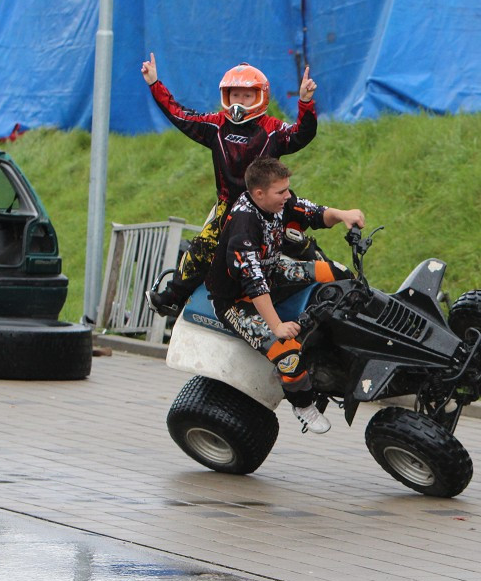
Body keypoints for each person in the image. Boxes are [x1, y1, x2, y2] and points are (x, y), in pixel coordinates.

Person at [140, 53, 320, 316]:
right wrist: (155, 83)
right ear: (226, 97)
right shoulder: (214, 125)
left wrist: (305, 102)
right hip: (228, 209)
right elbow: (179, 115)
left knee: (299, 242)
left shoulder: (273, 129)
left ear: (260, 97)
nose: (240, 102)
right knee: (200, 249)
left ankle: (331, 276)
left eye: (247, 96)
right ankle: (172, 298)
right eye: (235, 95)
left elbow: (302, 134)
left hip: (269, 206)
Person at [207, 157, 364, 434]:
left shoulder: (277, 201)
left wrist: (342, 215)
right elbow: (253, 282)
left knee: (337, 273)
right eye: (281, 192)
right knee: (287, 353)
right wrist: (277, 326)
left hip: (273, 268)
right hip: (237, 298)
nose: (287, 196)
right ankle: (302, 405)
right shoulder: (244, 224)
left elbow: (313, 213)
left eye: (287, 189)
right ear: (259, 193)